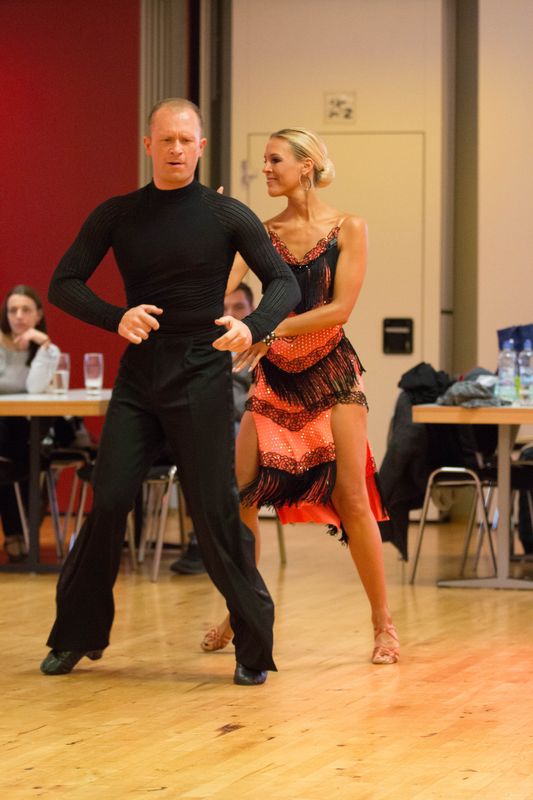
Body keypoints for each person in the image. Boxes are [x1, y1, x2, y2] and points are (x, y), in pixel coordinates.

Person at [40, 98, 300, 686]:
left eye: (186, 140)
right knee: (109, 500)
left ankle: (252, 645)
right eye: (166, 140)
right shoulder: (118, 214)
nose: (177, 149)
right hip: (140, 374)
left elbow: (283, 282)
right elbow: (63, 282)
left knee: (211, 508)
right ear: (148, 146)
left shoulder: (227, 214)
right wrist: (116, 317)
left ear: (200, 147)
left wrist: (254, 327)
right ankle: (76, 635)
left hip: (201, 371)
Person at [201, 128, 399, 665]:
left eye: (275, 160)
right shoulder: (260, 232)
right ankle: (242, 609)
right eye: (264, 160)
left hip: (331, 373)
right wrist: (210, 230)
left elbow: (339, 309)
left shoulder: (348, 227)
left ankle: (383, 624)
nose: (265, 169)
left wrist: (267, 329)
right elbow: (217, 290)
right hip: (274, 375)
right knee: (242, 496)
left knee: (352, 499)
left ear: (306, 166)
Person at [170, 282, 255, 575]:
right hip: (193, 421)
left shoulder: (258, 349)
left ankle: (207, 540)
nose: (230, 314)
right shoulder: (198, 346)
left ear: (252, 310)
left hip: (239, 424)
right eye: (224, 308)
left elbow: (252, 402)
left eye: (238, 307)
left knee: (218, 436)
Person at [0, 285, 60, 561]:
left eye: (25, 310)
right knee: (11, 447)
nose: (19, 316)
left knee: (16, 451)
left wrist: (43, 343)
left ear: (38, 314)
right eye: (13, 310)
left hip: (26, 428)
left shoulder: (46, 350)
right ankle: (20, 531)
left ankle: (18, 533)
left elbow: (35, 388)